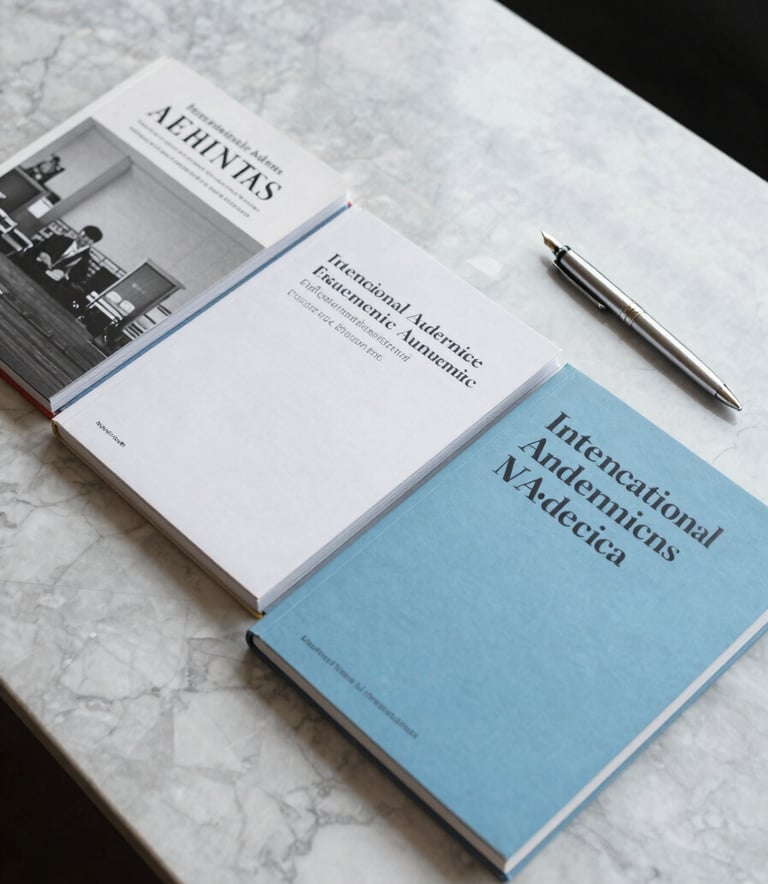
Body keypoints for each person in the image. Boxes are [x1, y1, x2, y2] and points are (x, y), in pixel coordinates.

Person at [19, 225, 103, 312]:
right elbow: (33, 250)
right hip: (28, 271)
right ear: (80, 233)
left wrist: (65, 276)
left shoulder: (85, 260)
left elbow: (77, 280)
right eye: (84, 236)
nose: (85, 240)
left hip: (48, 287)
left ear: (93, 243)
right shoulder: (59, 239)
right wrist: (42, 254)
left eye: (89, 239)